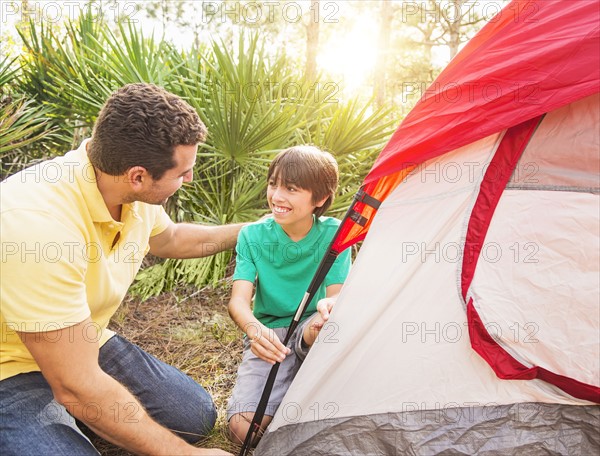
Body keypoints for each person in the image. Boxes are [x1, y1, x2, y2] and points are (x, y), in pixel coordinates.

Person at [0, 83, 234, 455]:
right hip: (9, 366)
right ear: (138, 175)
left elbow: (170, 238)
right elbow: (76, 382)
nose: (188, 179)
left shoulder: (128, 192)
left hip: (80, 339)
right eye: (183, 172)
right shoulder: (37, 224)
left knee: (195, 416)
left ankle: (75, 414)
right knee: (75, 402)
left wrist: (252, 232)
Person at [226, 146, 352, 445]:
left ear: (319, 199)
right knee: (241, 431)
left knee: (318, 333)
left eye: (291, 188)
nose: (277, 196)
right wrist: (255, 331)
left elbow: (336, 298)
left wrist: (325, 310)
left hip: (313, 331)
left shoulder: (336, 234)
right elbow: (238, 301)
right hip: (270, 336)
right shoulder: (252, 235)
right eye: (274, 184)